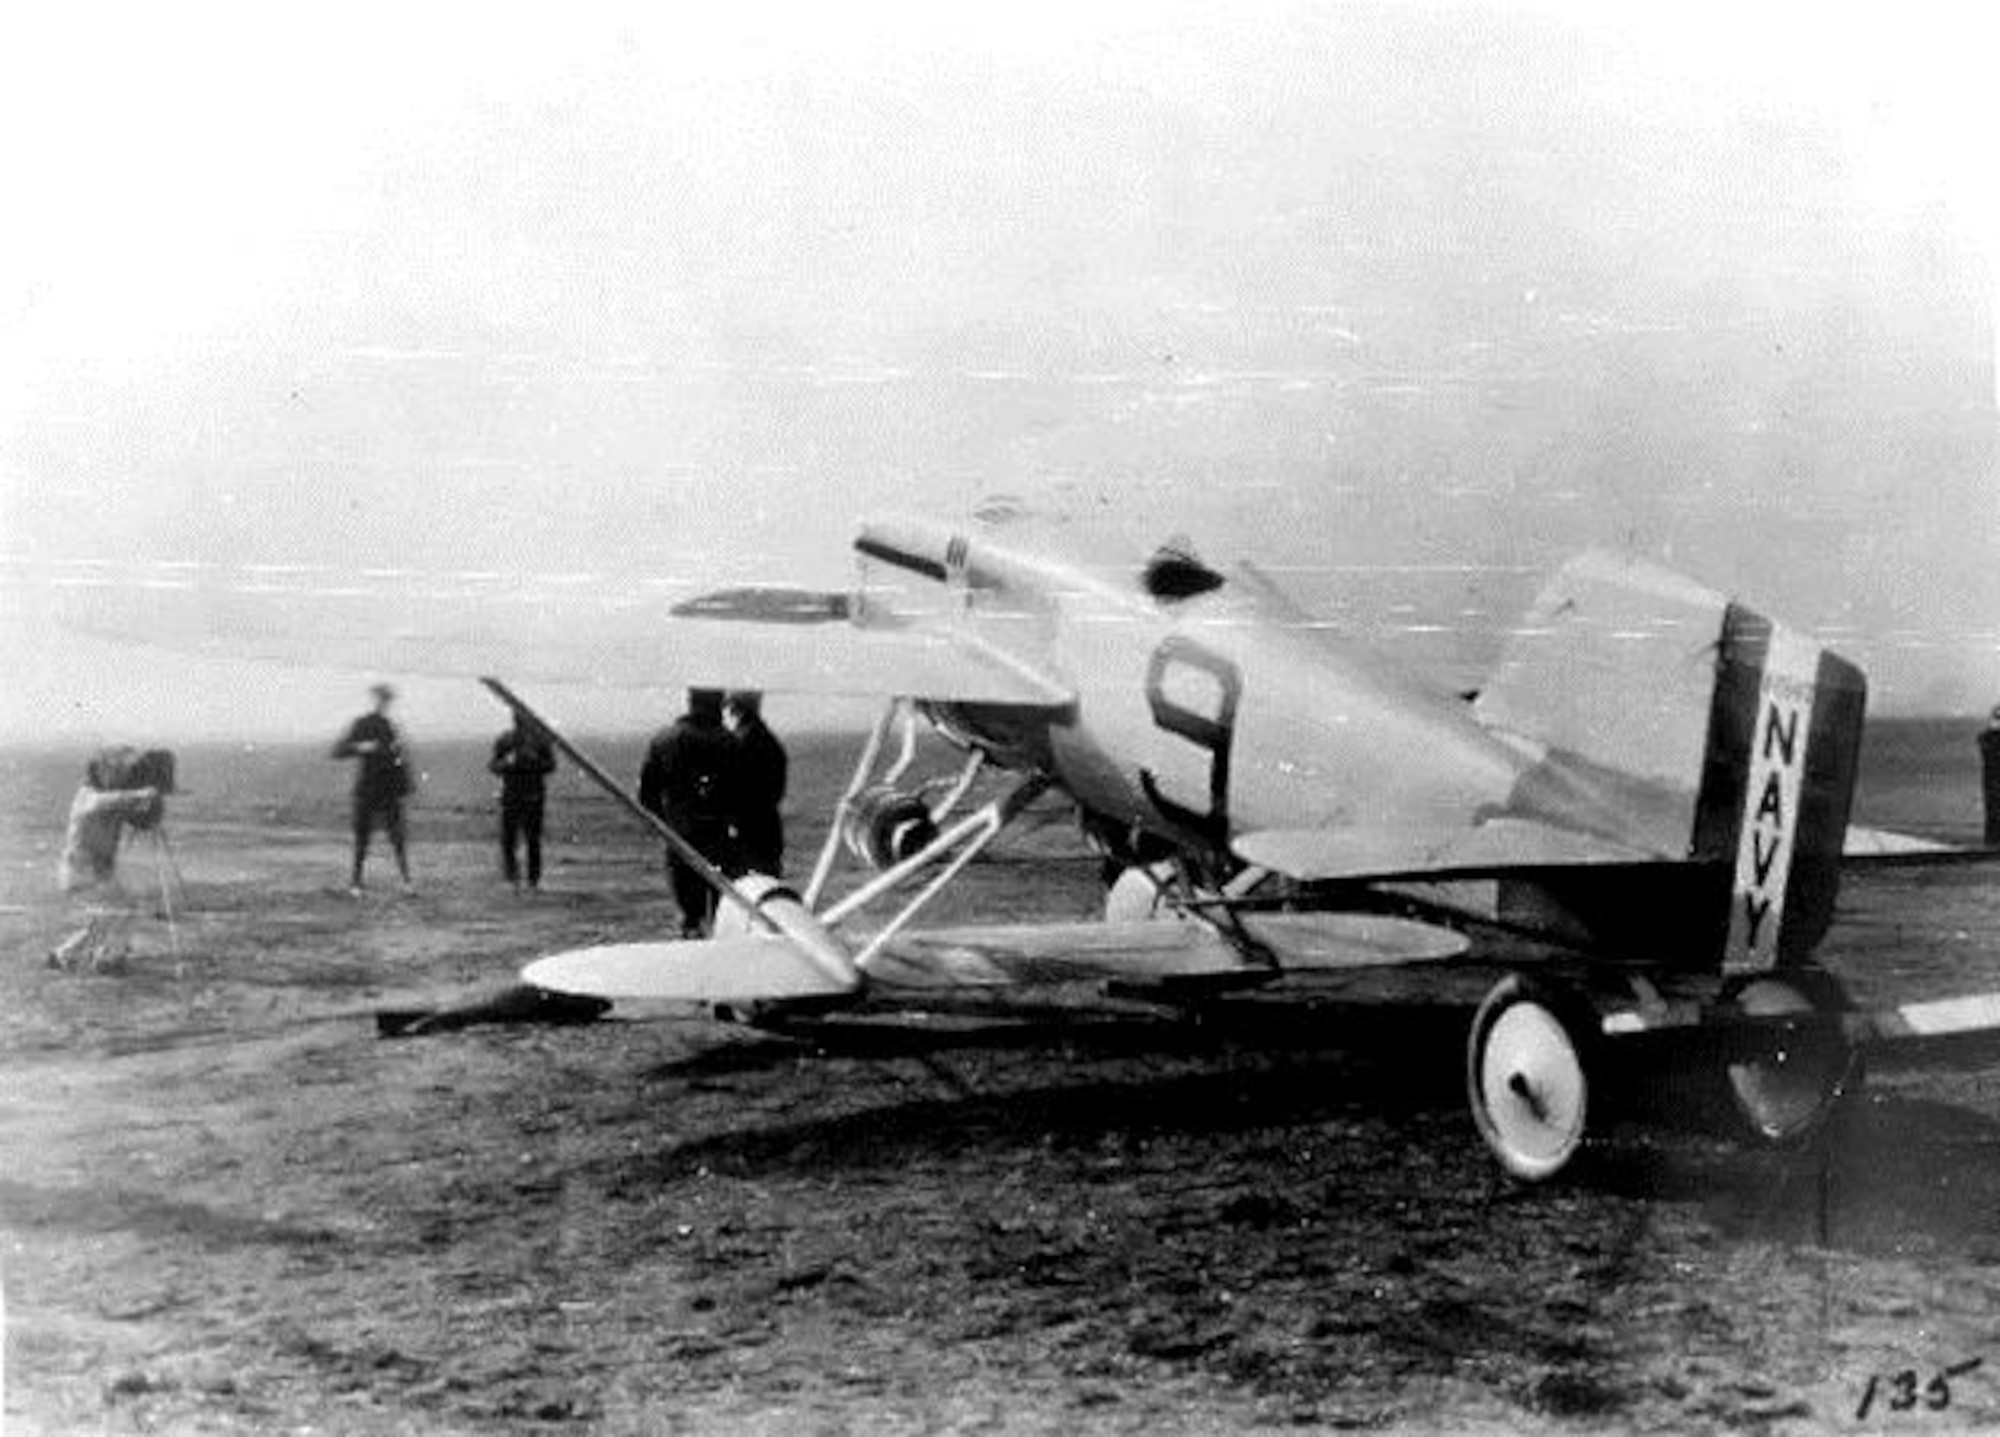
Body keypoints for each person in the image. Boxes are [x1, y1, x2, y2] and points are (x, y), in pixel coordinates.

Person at [50, 749, 167, 972]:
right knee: (122, 911)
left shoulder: (108, 800)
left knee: (106, 918)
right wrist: (143, 794)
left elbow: (134, 816)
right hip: (83, 872)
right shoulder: (87, 796)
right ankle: (108, 959)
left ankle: (65, 954)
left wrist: (151, 809)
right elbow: (101, 803)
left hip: (93, 872)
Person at [638, 688, 738, 937]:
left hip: (679, 836)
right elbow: (745, 795)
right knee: (721, 911)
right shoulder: (729, 742)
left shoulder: (664, 740)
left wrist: (666, 824)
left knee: (688, 914)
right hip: (719, 837)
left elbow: (646, 795)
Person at [332, 683, 415, 894]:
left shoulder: (391, 726)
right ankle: (356, 883)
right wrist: (360, 747)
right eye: (381, 699)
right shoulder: (362, 724)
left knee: (397, 838)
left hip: (388, 789)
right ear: (375, 700)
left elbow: (400, 759)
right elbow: (338, 750)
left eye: (386, 700)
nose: (383, 703)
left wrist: (404, 786)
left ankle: (406, 882)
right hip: (368, 788)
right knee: (362, 838)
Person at [489, 712, 557, 891]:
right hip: (511, 796)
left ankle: (533, 881)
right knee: (509, 839)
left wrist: (533, 760)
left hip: (533, 796)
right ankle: (512, 879)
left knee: (533, 840)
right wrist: (508, 762)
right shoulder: (506, 740)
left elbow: (550, 765)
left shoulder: (540, 741)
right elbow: (493, 766)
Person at [725, 690, 787, 878]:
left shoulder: (734, 743)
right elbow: (777, 791)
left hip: (742, 838)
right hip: (768, 832)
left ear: (734, 708)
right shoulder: (771, 742)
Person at [1981, 705, 2000, 847]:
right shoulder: (1989, 739)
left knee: (1992, 808)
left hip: (1991, 778)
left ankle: (1992, 840)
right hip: (1993, 778)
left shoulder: (1986, 739)